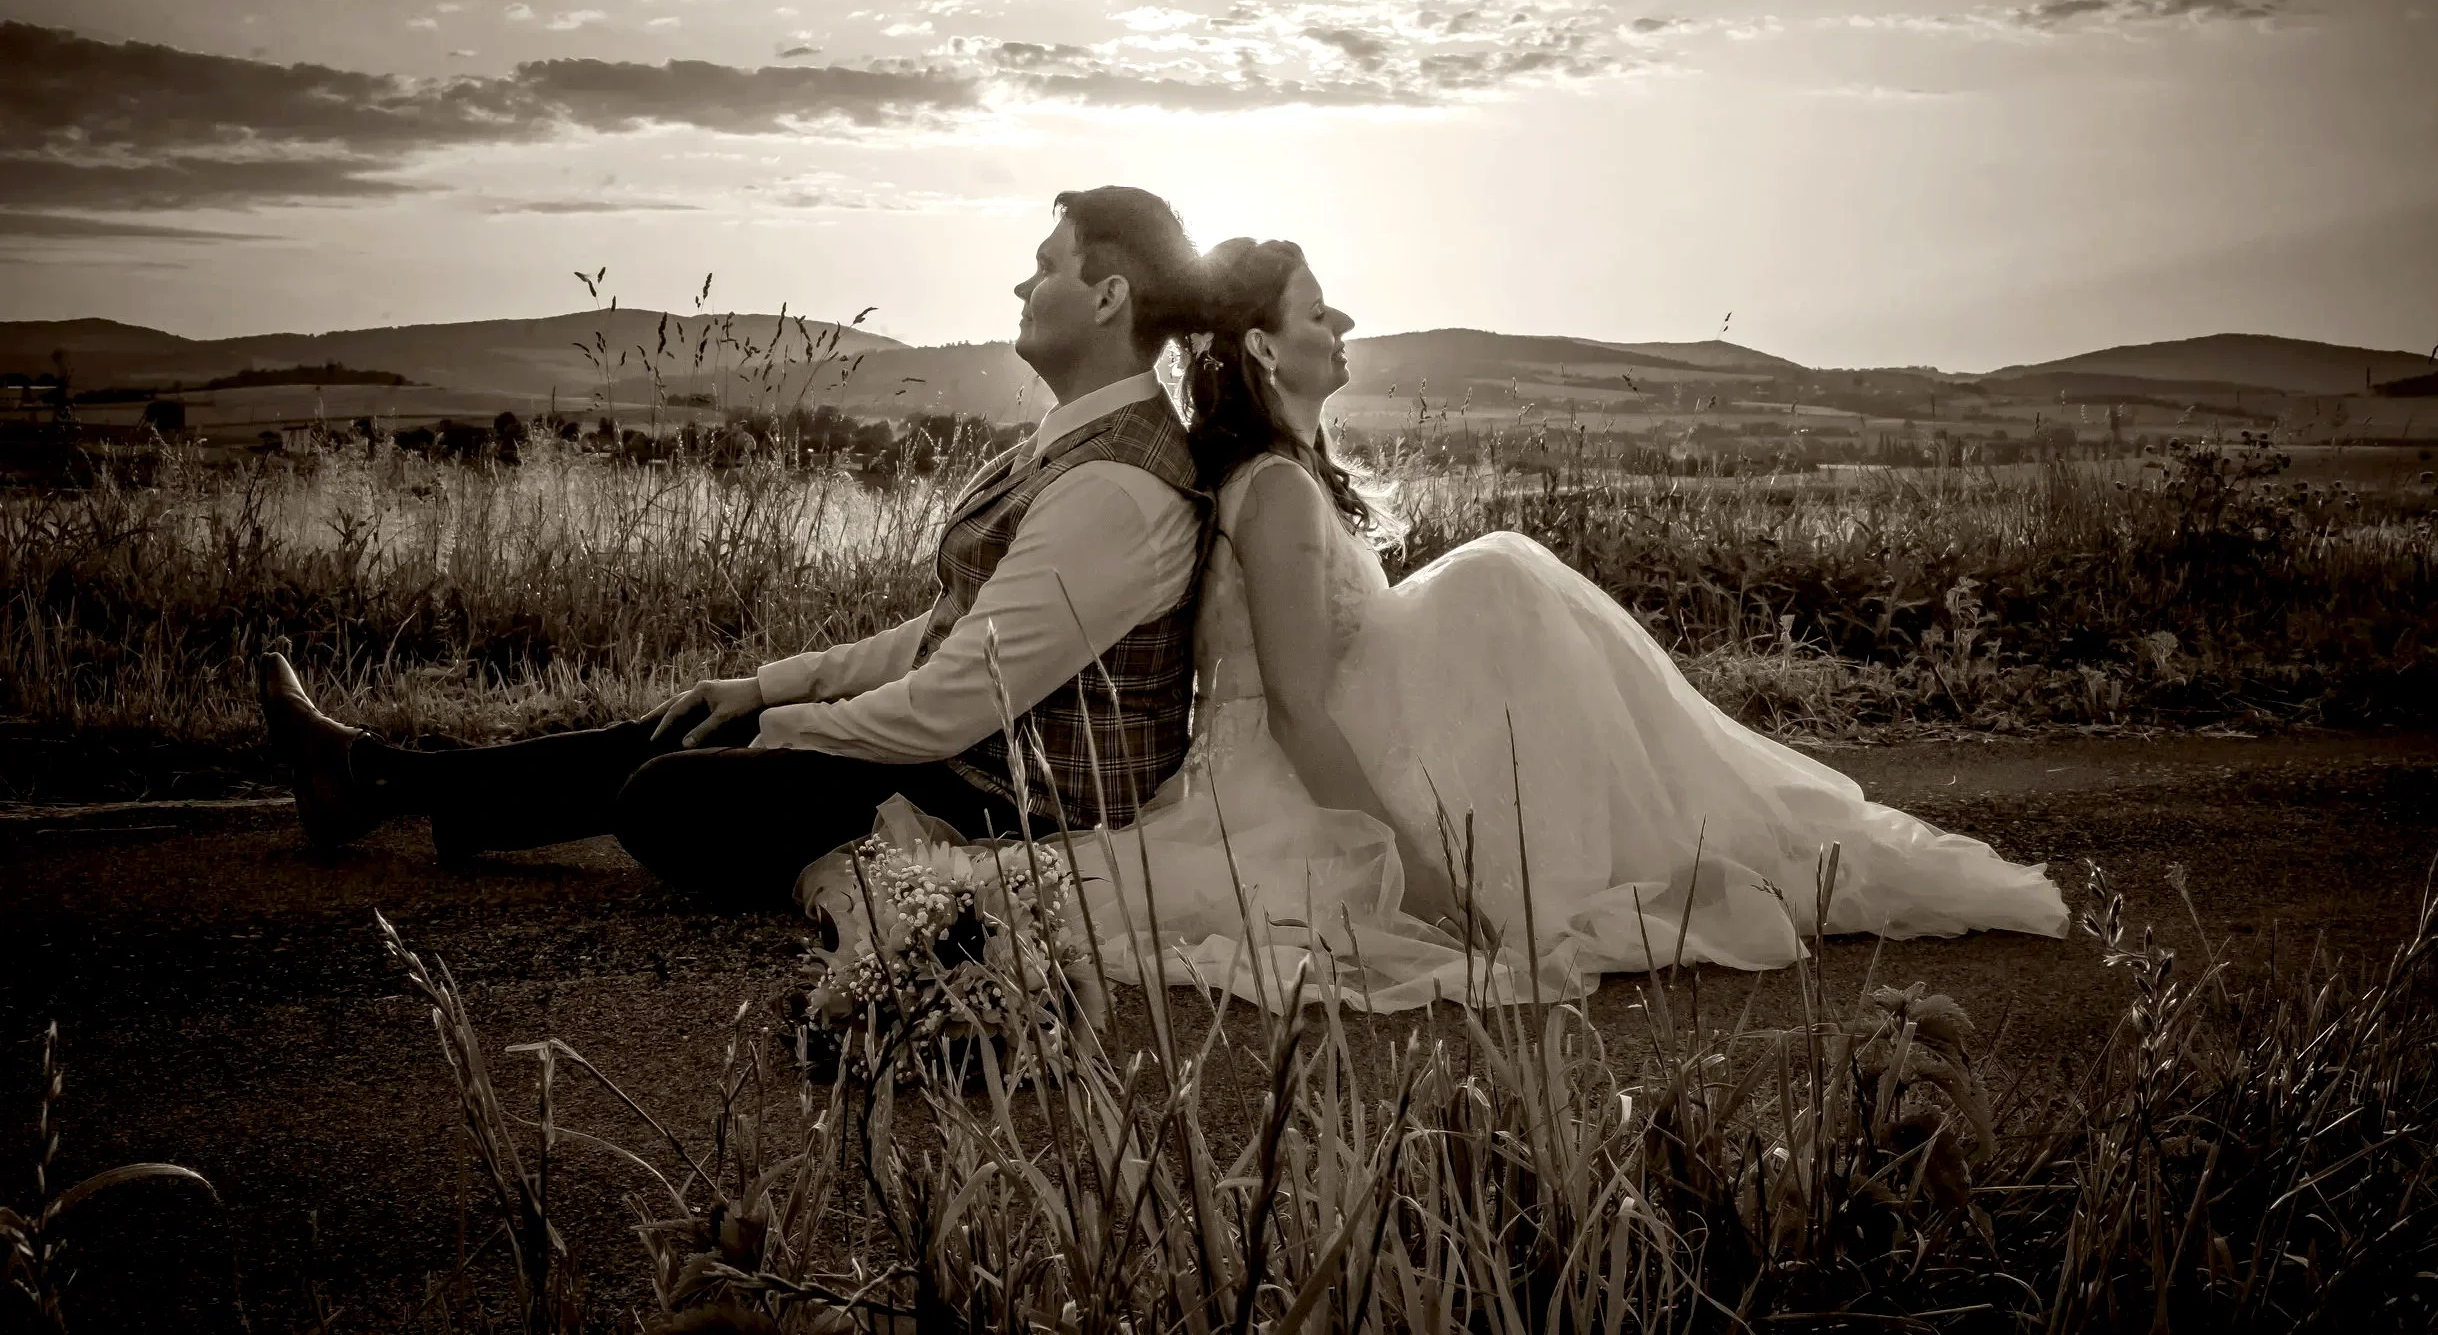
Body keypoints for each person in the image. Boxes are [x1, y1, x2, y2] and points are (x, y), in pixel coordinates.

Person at [1068, 238, 2071, 1011]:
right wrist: (1418, 874)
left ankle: (1657, 829)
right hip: (1294, 787)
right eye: (1317, 310)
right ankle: (1662, 831)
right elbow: (1292, 709)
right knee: (1497, 576)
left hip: (1353, 743)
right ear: (1261, 347)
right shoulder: (1277, 493)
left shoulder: (1287, 479)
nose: (1343, 320)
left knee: (1500, 583)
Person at [257, 185, 1212, 907]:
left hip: (1011, 803)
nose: (1021, 281)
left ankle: (379, 782)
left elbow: (955, 704)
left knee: (666, 796)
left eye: (1046, 264)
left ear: (1107, 297)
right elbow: (955, 630)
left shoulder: (1115, 491)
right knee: (689, 731)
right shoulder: (1075, 449)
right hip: (962, 756)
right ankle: (374, 783)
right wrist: (769, 688)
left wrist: (784, 730)